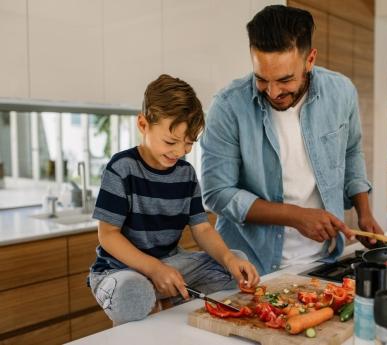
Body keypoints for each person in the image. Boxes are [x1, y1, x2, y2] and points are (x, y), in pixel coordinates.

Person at [200, 5, 383, 276]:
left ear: (310, 59)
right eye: (262, 79)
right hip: (248, 266)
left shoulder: (341, 92)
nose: (273, 92)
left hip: (324, 261)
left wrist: (364, 211)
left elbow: (351, 151)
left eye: (285, 79)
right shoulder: (227, 107)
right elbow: (217, 193)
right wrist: (295, 216)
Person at [88, 74, 259, 325]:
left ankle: (162, 301)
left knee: (235, 263)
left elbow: (201, 228)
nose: (179, 152)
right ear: (143, 124)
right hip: (119, 270)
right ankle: (159, 300)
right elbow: (108, 235)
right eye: (171, 141)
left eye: (189, 144)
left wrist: (228, 259)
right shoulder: (121, 168)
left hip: (169, 263)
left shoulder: (186, 174)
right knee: (133, 292)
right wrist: (153, 269)